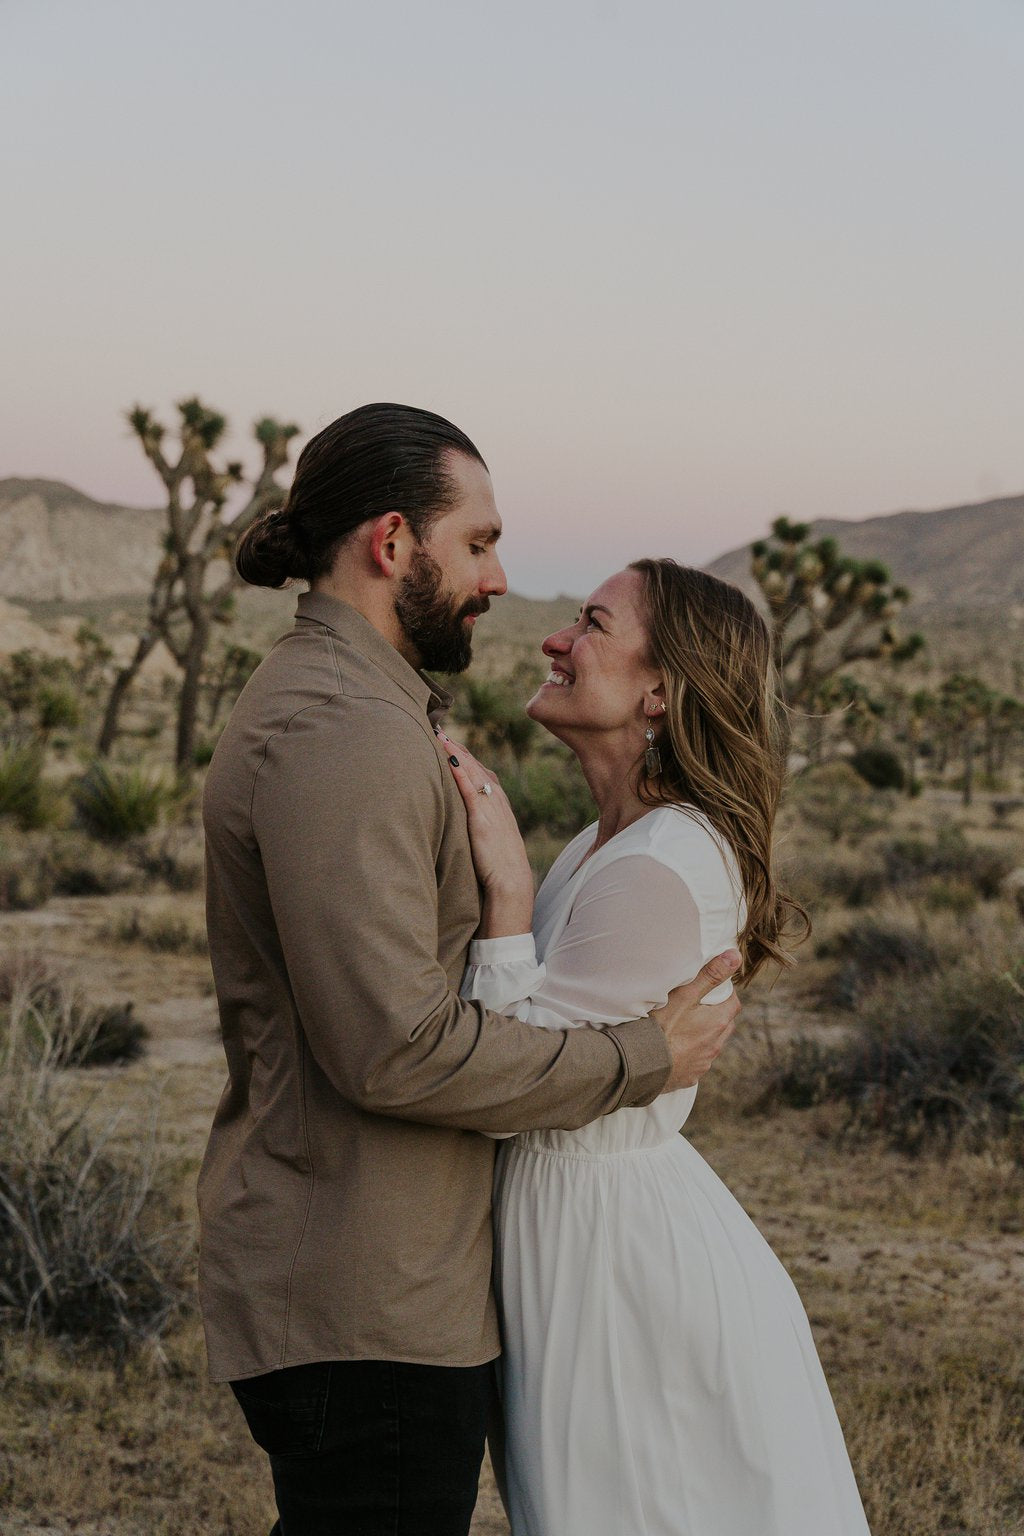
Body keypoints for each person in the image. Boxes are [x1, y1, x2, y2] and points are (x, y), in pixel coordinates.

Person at [197, 404, 742, 1536]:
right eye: (480, 543)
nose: (499, 581)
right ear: (394, 544)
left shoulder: (367, 711)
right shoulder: (341, 729)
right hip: (365, 1298)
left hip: (387, 1288)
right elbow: (394, 1050)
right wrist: (643, 1057)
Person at [446, 559, 872, 1536]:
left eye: (591, 623)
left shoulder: (660, 866)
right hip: (585, 1228)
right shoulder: (607, 845)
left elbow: (513, 1080)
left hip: (614, 1263)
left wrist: (505, 903)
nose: (556, 638)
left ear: (657, 691)